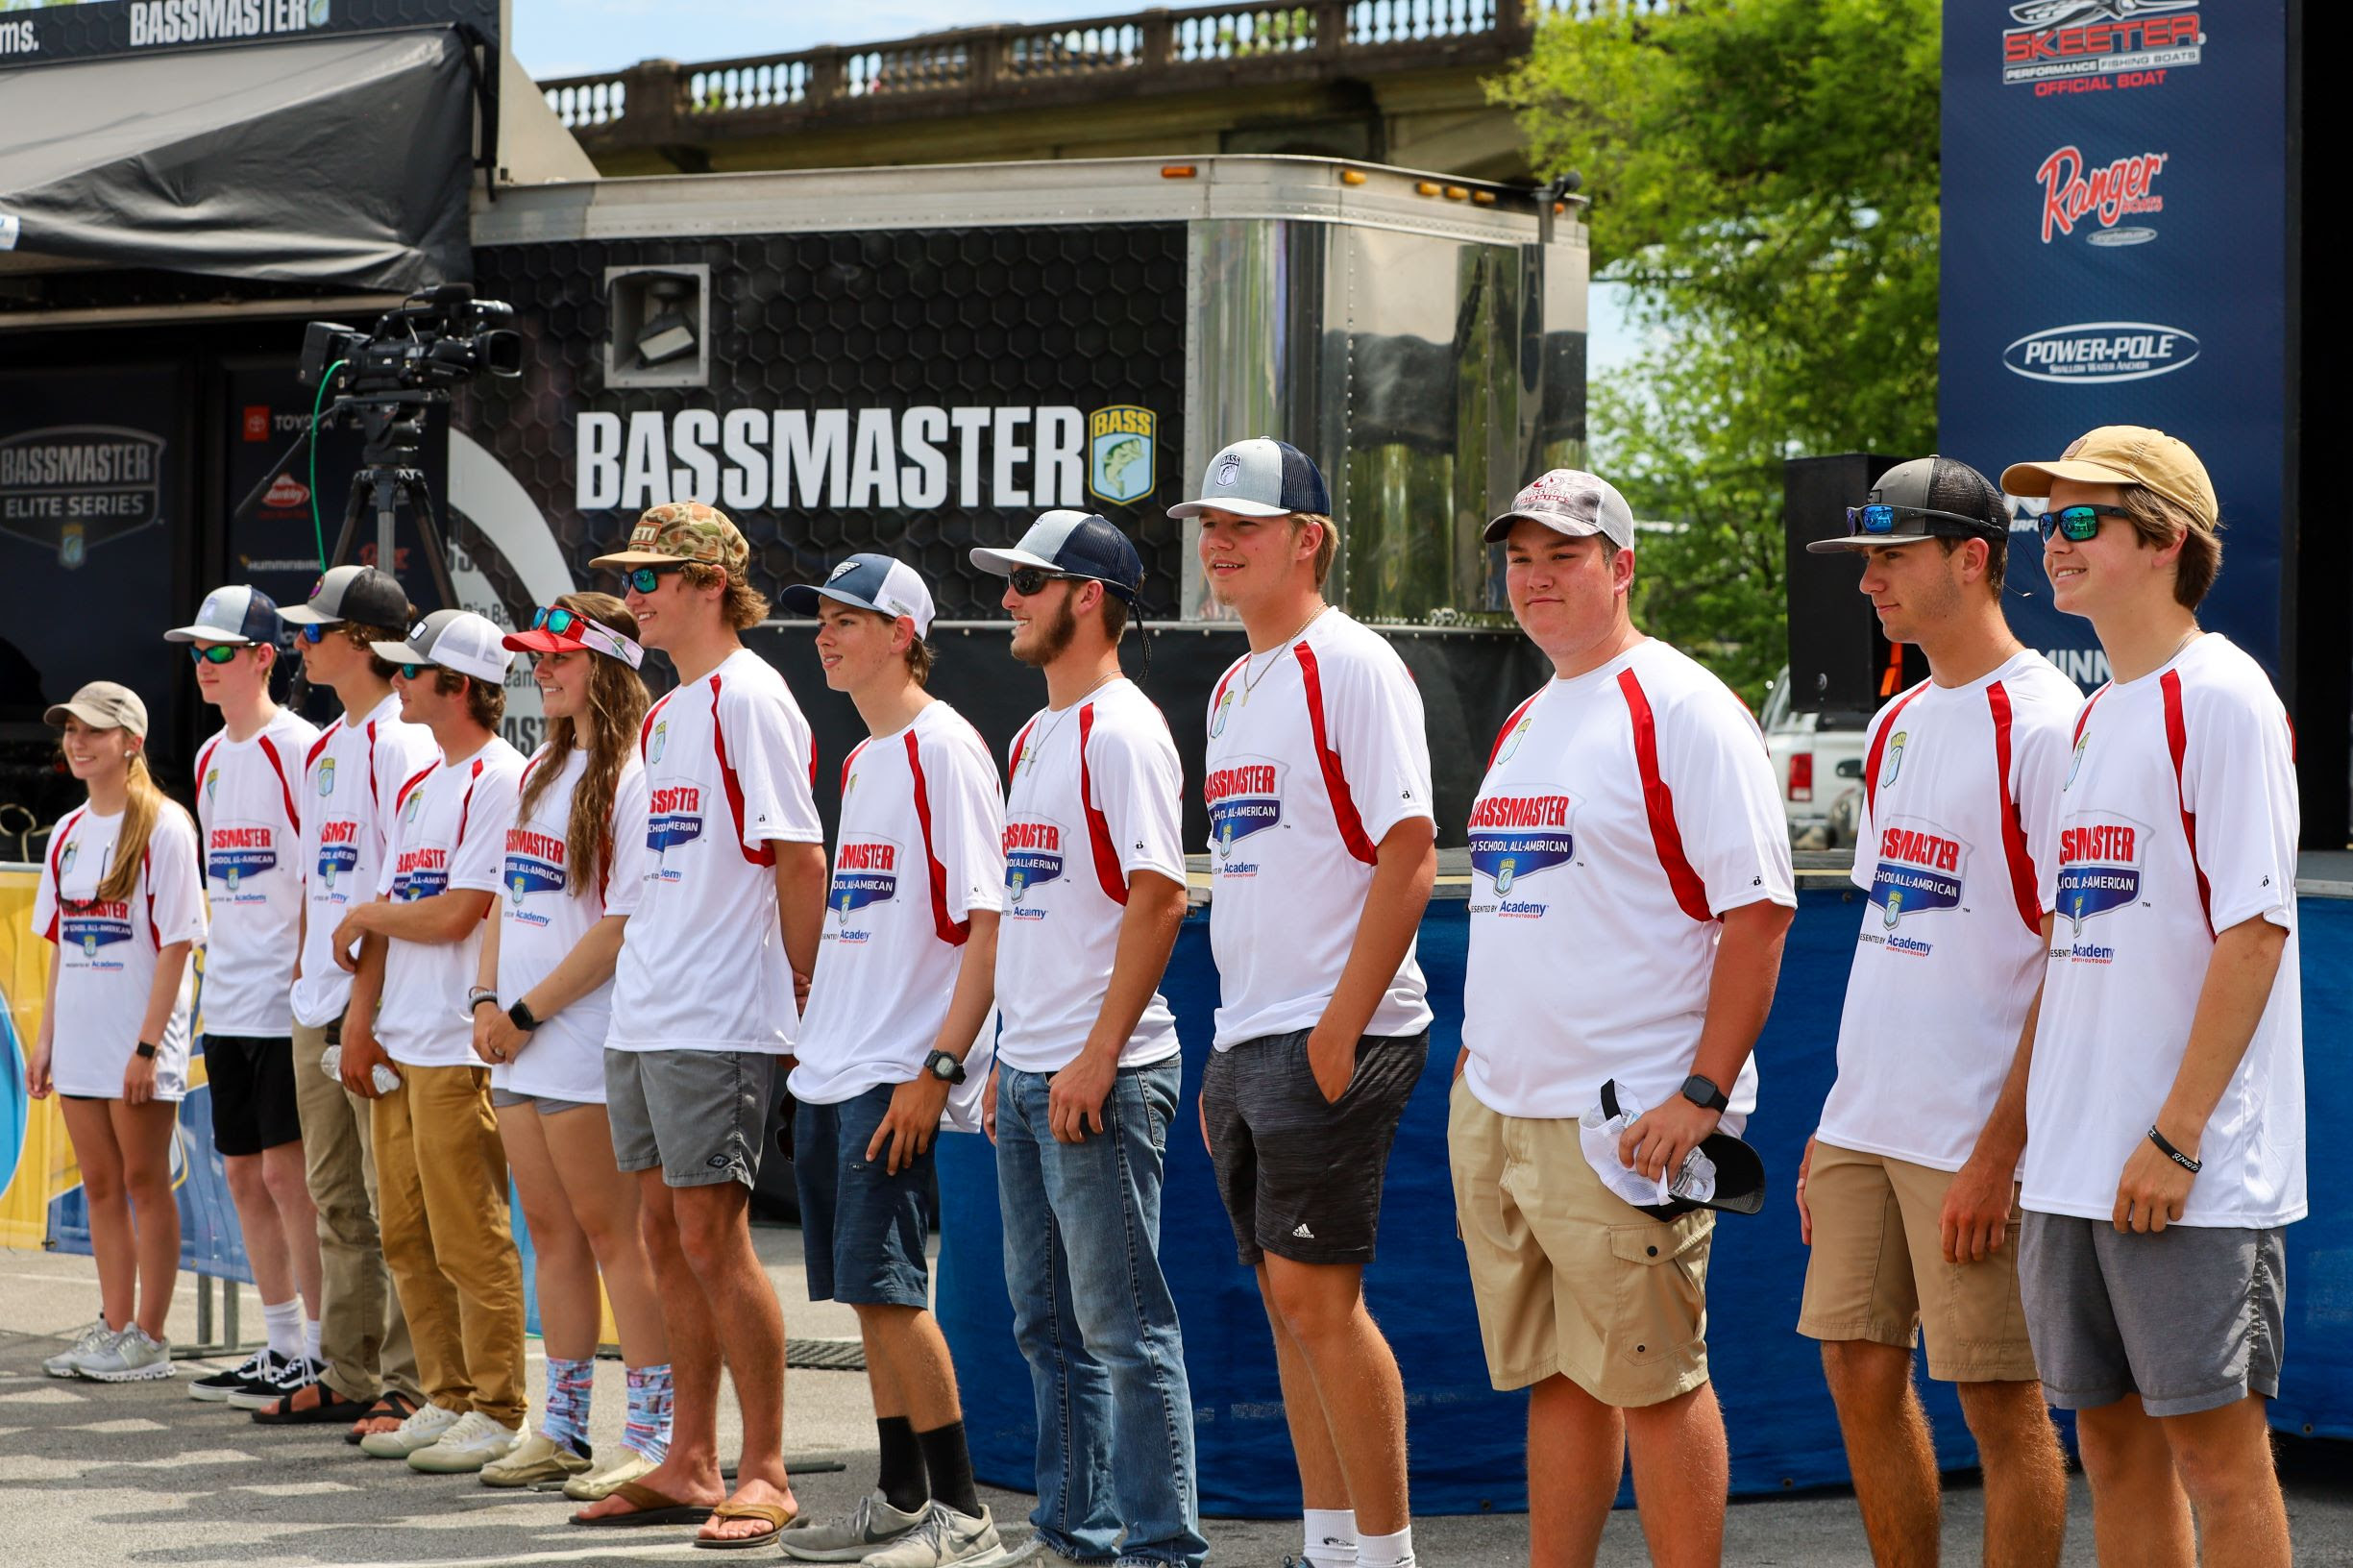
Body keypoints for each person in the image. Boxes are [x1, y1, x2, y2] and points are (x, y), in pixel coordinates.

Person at [1450, 471, 1795, 1568]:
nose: (1536, 578)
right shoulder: (1527, 716)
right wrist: (1478, 1064)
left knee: (1656, 1384)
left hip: (1624, 1121)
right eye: (1520, 558)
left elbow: (1758, 915)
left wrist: (1701, 1094)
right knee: (1562, 1377)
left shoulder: (1683, 707)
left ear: (1622, 566)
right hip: (1505, 1106)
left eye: (1565, 555)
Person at [1999, 428, 2301, 1568]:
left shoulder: (2220, 695)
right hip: (2076, 1163)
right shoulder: (2094, 713)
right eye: (2047, 523)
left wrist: (2174, 1138)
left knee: (2219, 1464)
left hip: (2185, 1172)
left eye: (2082, 520)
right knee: (2114, 1455)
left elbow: (2254, 932)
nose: (2054, 543)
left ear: (2167, 539)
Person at [1795, 457, 2074, 1565]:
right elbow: (1890, 933)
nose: (1869, 581)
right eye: (1864, 560)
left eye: (1892, 557)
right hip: (1868, 1123)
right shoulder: (1897, 719)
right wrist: (1838, 1114)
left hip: (1974, 1134)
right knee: (1856, 1374)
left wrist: (2001, 1149)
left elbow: (2074, 959)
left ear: (1972, 560)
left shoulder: (2046, 723)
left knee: (2002, 1406)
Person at [1173, 438, 1434, 1568]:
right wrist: (1230, 1052)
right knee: (1287, 1306)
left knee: (1322, 1305)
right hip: (1253, 1032)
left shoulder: (1352, 664)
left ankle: (1384, 1556)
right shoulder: (1234, 685)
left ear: (1308, 540)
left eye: (1244, 525)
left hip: (1337, 1029)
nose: (1219, 545)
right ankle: (1329, 1546)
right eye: (1209, 527)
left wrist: (1337, 1028)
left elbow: (1409, 852)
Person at [572, 502, 826, 1549]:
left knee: (714, 1239)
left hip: (717, 1013)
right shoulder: (672, 712)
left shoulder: (750, 697)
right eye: (628, 577)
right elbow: (654, 883)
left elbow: (799, 856)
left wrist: (807, 990)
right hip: (647, 1009)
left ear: (712, 583)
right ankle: (688, 1459)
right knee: (660, 1239)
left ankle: (764, 1470)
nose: (632, 595)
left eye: (651, 577)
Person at [969, 510, 1205, 1568]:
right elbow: (1034, 913)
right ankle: (1076, 1532)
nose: (1008, 599)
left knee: (1123, 1330)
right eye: (1011, 582)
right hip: (1034, 1070)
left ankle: (1160, 1549)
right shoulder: (1036, 735)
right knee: (1047, 1326)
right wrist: (1005, 1055)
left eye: (1028, 582)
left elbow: (1161, 898)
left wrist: (1097, 1056)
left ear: (1088, 597)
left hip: (1100, 1075)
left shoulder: (1120, 729)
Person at [776, 555, 1006, 1566]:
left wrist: (937, 1070)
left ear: (904, 633)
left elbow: (990, 922)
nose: (824, 636)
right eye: (820, 619)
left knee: (894, 1295)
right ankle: (904, 1493)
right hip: (837, 1065)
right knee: (867, 1297)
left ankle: (966, 1515)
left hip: (894, 1071)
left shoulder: (943, 749)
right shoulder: (867, 758)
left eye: (847, 620)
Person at [467, 593, 674, 1496]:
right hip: (517, 1038)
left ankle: (654, 1432)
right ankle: (561, 1426)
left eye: (558, 658)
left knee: (613, 1237)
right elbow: (504, 901)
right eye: (536, 658)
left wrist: (523, 1013)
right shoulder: (540, 768)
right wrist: (486, 1000)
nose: (540, 671)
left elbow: (620, 926)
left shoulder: (633, 776)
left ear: (606, 665)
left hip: (581, 1037)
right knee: (550, 1235)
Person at [332, 609, 530, 1475]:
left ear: (458, 686)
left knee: (468, 1238)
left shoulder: (501, 777)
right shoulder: (422, 785)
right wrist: (358, 1022)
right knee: (406, 1237)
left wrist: (366, 914)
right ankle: (445, 1397)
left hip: (457, 1046)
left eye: (410, 671)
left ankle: (499, 1408)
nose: (396, 681)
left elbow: (458, 914)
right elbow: (388, 920)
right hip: (401, 1041)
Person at [264, 564, 439, 1437]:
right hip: (319, 997)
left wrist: (361, 1009)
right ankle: (349, 1369)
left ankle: (409, 1381)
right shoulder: (327, 744)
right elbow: (317, 880)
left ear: (363, 640)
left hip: (378, 1001)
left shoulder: (403, 740)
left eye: (314, 631)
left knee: (392, 1199)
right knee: (334, 1194)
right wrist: (307, 983)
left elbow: (402, 888)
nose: (301, 644)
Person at [164, 586, 326, 1410]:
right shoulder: (207, 757)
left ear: (264, 657)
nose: (203, 664)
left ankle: (324, 1355)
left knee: (290, 1178)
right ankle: (282, 1342)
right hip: (226, 997)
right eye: (196, 651)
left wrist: (302, 983)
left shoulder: (301, 747)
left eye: (218, 651)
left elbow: (318, 876)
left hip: (283, 1001)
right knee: (240, 1174)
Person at [30, 683, 206, 1383]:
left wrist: (147, 1046)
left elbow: (177, 945)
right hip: (79, 1039)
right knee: (101, 1185)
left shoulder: (165, 825)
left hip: (136, 1041)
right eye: (71, 730)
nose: (78, 742)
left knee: (143, 1181)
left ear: (131, 742)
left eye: (94, 731)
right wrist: (47, 1039)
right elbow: (60, 946)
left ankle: (150, 1338)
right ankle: (113, 1326)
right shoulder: (68, 832)